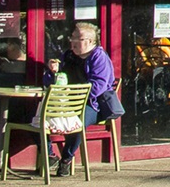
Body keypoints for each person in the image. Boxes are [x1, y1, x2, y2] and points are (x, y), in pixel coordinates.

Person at [45, 21, 120, 176]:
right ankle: (50, 155)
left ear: (90, 42)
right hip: (65, 102)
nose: (73, 42)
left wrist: (73, 95)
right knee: (37, 116)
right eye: (72, 38)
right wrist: (52, 72)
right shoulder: (68, 56)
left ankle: (66, 159)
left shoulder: (98, 57)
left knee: (77, 121)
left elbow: (98, 86)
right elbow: (50, 82)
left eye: (78, 39)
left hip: (92, 105)